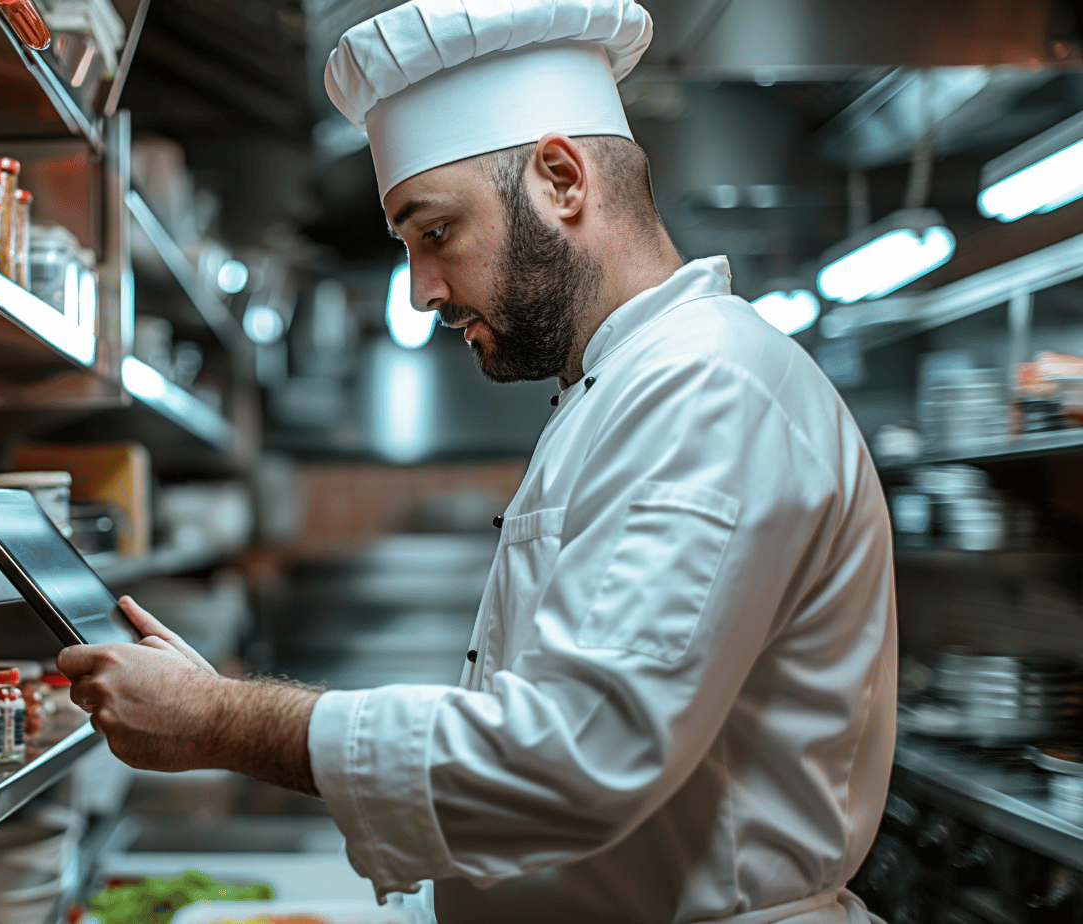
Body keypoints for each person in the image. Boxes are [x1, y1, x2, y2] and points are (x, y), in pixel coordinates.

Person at [57, 0, 898, 921]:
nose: (423, 291)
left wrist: (217, 721)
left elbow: (573, 760)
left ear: (561, 180)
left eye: (435, 233)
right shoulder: (620, 388)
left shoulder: (707, 388)